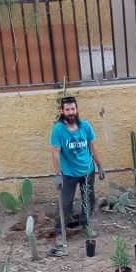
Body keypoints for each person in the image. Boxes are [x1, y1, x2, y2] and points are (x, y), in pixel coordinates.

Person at [50, 96, 106, 242]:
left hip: (87, 171)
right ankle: (60, 229)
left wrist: (99, 165)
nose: (71, 112)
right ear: (62, 111)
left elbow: (92, 147)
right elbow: (55, 154)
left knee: (89, 199)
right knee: (66, 203)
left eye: (73, 109)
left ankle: (85, 225)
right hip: (68, 174)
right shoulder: (58, 130)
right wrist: (57, 174)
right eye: (67, 110)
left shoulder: (86, 126)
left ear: (77, 109)